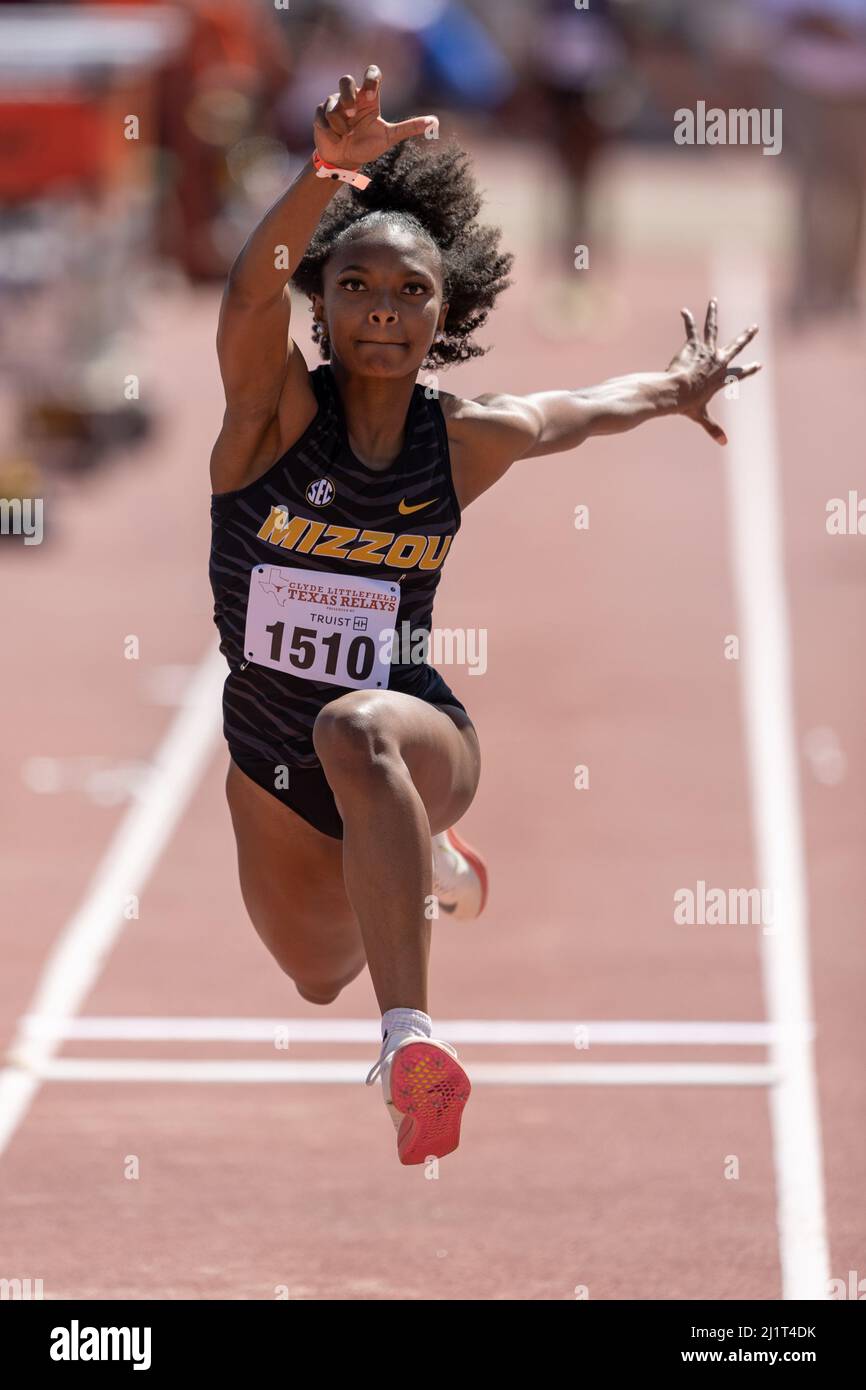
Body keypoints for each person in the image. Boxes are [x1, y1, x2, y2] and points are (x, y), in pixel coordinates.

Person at [208, 64, 761, 1166]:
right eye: (356, 284)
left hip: (411, 725)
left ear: (443, 312)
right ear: (323, 302)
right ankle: (436, 868)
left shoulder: (457, 442)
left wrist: (673, 387)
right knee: (315, 972)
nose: (382, 307)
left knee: (355, 729)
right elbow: (244, 296)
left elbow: (577, 413)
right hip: (263, 751)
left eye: (410, 291)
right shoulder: (269, 420)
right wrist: (324, 174)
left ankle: (410, 1046)